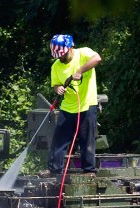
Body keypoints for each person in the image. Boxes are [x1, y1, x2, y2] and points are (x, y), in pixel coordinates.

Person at [47, 34, 102, 175]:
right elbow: (55, 84)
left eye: (62, 55)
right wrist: (57, 88)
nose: (60, 58)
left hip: (86, 104)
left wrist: (80, 70)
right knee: (59, 138)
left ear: (70, 48)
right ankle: (53, 169)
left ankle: (89, 170)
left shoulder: (83, 53)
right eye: (58, 56)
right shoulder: (56, 66)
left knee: (87, 138)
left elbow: (97, 58)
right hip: (67, 106)